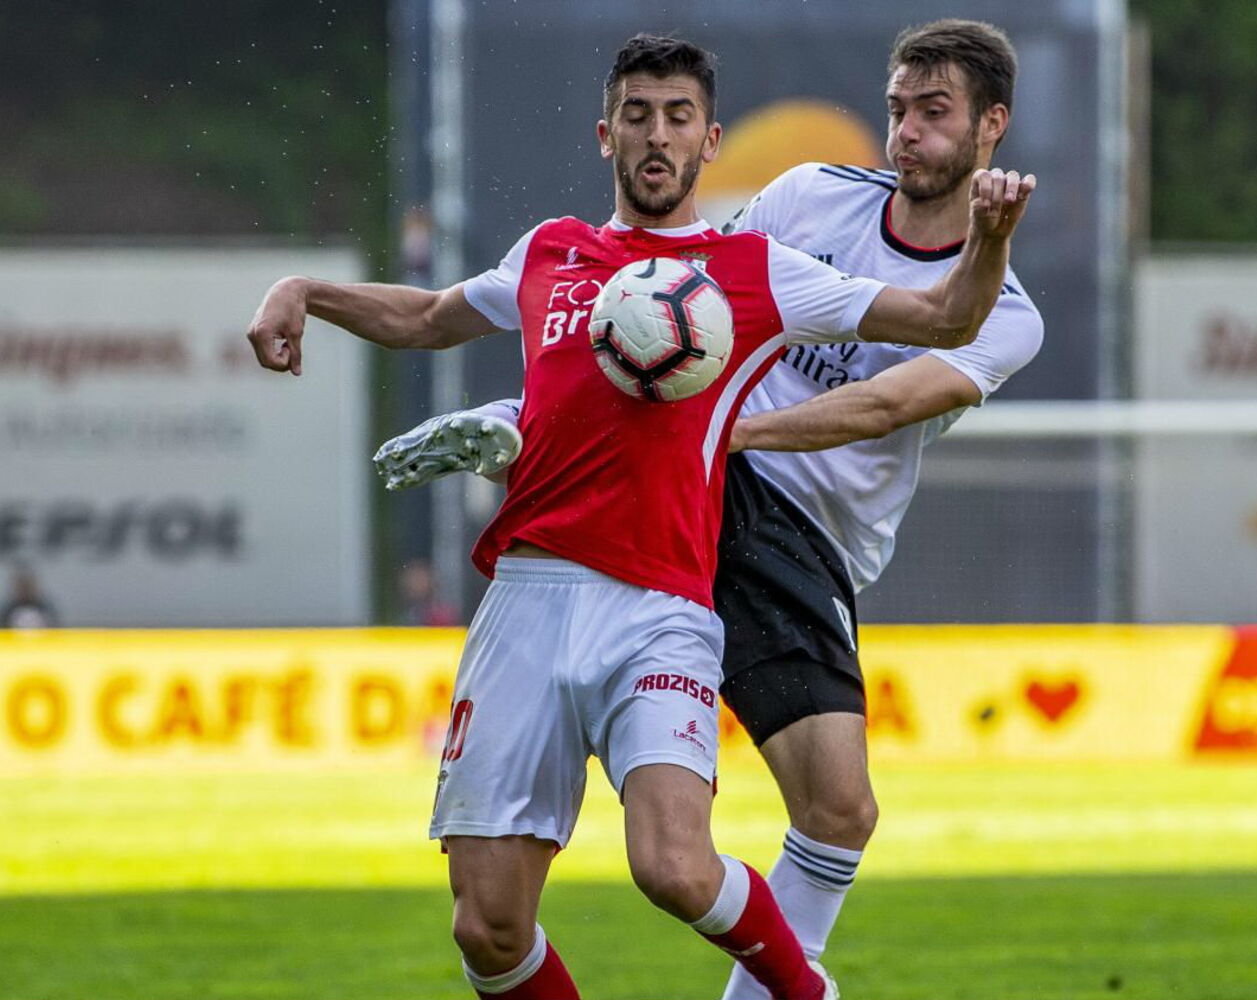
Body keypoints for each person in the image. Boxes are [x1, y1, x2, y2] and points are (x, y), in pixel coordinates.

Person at [252, 33, 1035, 1000]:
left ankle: (803, 992)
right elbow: (425, 318)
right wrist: (303, 290)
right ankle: (518, 423)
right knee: (486, 927)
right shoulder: (558, 249)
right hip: (530, 591)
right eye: (637, 116)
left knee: (693, 859)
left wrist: (988, 239)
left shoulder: (753, 273)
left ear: (710, 141)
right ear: (605, 134)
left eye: (677, 118)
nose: (657, 136)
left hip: (689, 573)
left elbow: (935, 334)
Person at [2, 562, 59, 629]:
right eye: (21, 586)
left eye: (28, 585)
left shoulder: (45, 609)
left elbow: (55, 628)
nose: (25, 589)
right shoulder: (8, 610)